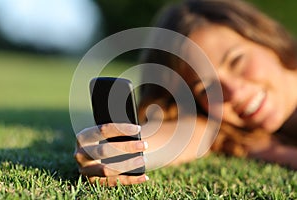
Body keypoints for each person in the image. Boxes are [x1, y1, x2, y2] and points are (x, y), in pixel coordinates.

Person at [74, 0, 297, 186]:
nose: (233, 92)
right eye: (206, 89)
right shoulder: (228, 131)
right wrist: (120, 150)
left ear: (267, 39)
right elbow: (185, 133)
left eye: (237, 60)